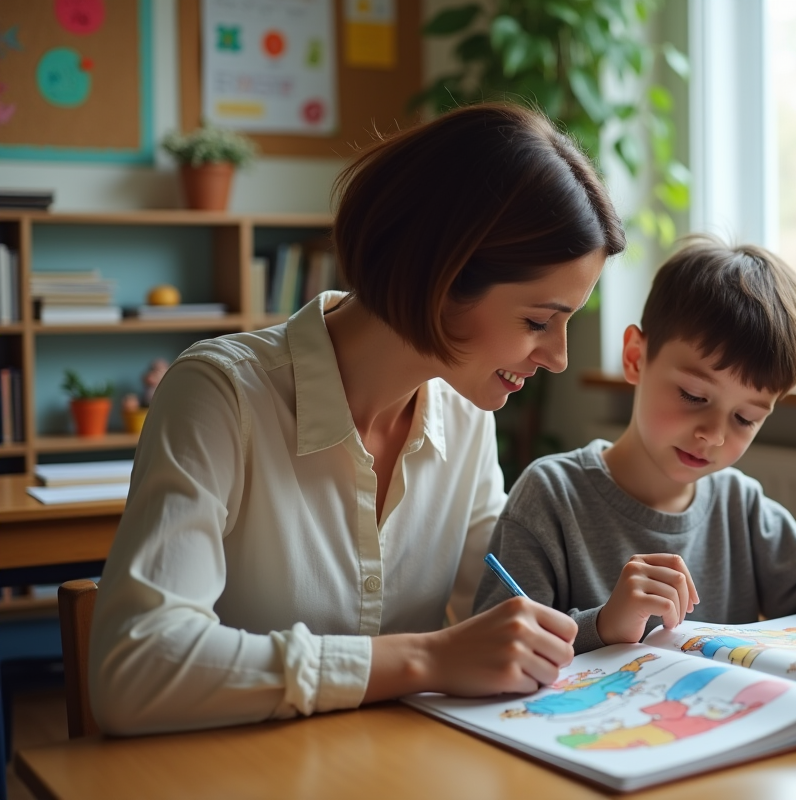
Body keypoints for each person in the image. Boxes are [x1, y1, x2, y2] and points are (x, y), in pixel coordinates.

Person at [89, 103, 625, 735]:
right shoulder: (221, 396)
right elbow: (134, 670)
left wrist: (598, 625)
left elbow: (494, 613)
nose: (559, 358)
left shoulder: (465, 412)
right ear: (440, 278)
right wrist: (423, 657)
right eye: (538, 322)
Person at [475, 235, 796, 656]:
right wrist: (605, 624)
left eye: (746, 418)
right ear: (635, 357)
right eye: (693, 396)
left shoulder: (736, 505)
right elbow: (495, 646)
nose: (715, 435)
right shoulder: (552, 495)